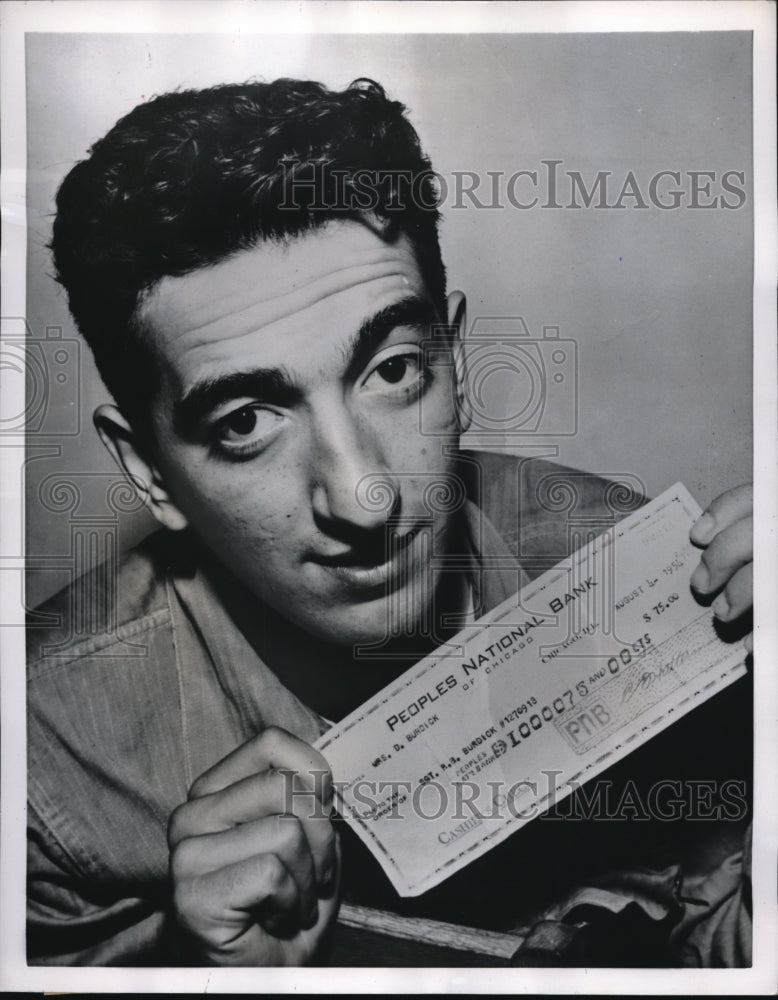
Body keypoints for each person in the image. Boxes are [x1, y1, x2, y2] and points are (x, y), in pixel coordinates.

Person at [27, 78, 753, 967]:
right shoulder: (41, 766)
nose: (364, 496)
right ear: (149, 472)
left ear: (455, 361)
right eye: (247, 422)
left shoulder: (659, 585)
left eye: (395, 369)